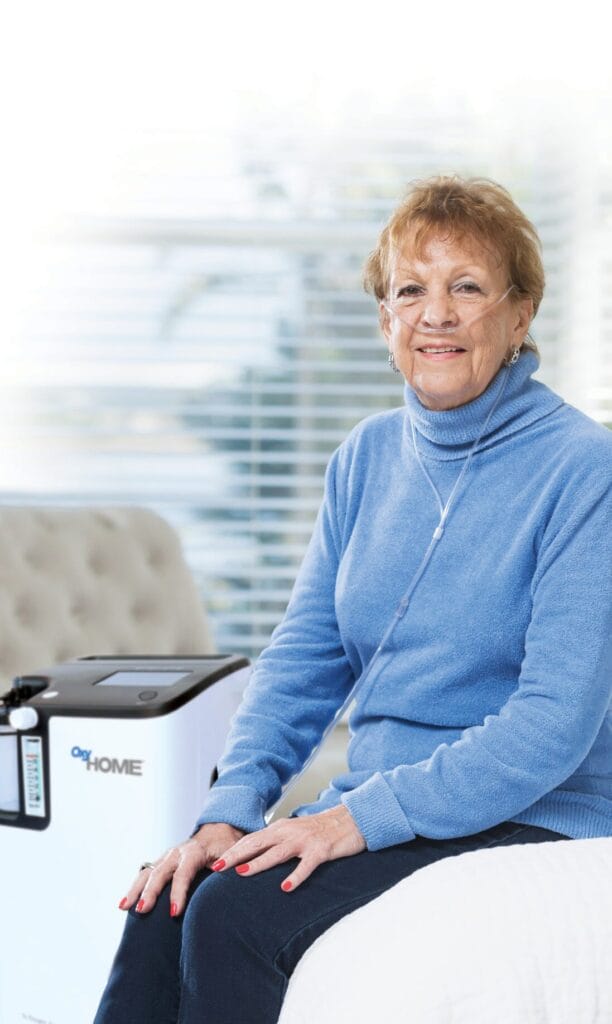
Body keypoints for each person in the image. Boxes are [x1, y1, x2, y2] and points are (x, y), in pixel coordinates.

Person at [94, 176, 612, 1024]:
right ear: (384, 321)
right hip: (382, 801)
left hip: (531, 809)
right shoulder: (365, 458)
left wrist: (353, 820)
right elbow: (303, 660)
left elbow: (553, 725)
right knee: (170, 895)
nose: (435, 314)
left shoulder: (583, 470)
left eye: (467, 287)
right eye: (410, 291)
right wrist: (228, 813)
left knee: (234, 913)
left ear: (520, 316)